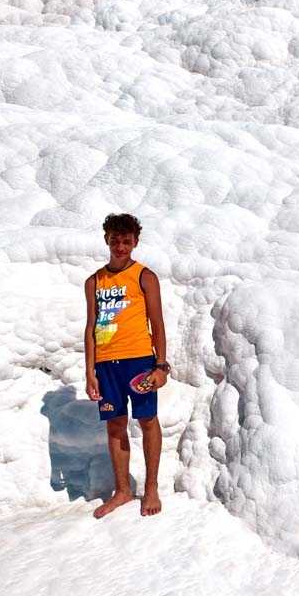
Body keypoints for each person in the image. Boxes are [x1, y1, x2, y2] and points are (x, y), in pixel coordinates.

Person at [85, 213, 170, 517]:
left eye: (126, 241)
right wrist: (90, 371)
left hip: (139, 361)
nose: (120, 246)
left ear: (135, 242)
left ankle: (150, 488)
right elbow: (91, 327)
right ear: (106, 239)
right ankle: (122, 491)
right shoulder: (94, 281)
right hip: (107, 365)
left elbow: (157, 323)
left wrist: (160, 367)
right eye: (115, 240)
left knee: (147, 421)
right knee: (115, 424)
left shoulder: (144, 276)